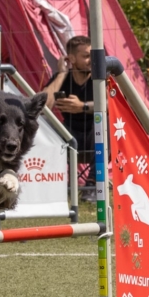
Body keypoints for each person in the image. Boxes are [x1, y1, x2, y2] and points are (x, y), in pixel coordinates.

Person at [43, 35, 95, 198]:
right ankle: (54, 184)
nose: (91, 61)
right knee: (45, 126)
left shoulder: (100, 77)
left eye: (93, 56)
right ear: (71, 59)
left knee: (104, 125)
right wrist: (61, 74)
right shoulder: (63, 78)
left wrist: (82, 106)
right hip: (69, 134)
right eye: (86, 56)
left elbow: (112, 105)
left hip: (95, 133)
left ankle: (93, 186)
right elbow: (42, 107)